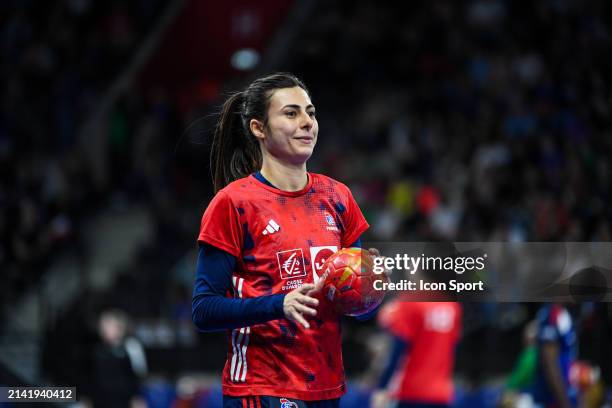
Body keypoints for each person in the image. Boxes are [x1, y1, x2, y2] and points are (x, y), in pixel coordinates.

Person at [192, 73, 375, 408]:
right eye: (291, 113)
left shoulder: (338, 197)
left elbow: (356, 310)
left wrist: (370, 293)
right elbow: (204, 311)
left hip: (327, 388)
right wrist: (279, 304)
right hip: (261, 388)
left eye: (311, 112)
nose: (307, 123)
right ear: (258, 128)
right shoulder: (234, 203)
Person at [372, 298, 461, 408]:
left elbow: (397, 353)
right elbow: (452, 351)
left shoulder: (409, 305)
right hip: (441, 393)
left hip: (412, 392)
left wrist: (382, 387)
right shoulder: (452, 307)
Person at [532, 303, 578, 408]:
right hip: (552, 400)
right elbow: (550, 365)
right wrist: (565, 404)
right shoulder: (551, 314)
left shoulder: (564, 313)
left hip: (565, 395)